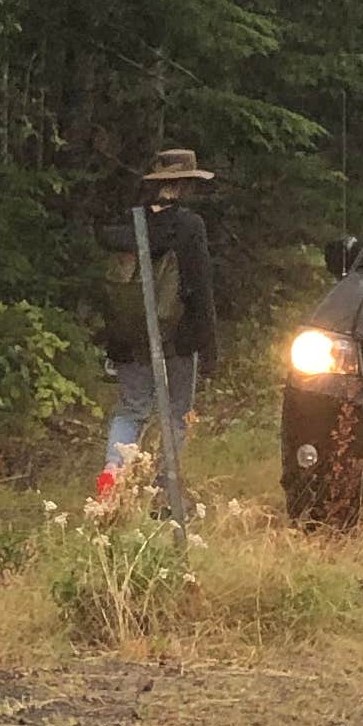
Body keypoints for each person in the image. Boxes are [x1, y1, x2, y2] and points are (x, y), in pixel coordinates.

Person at [96, 151, 219, 499]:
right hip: (177, 339)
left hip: (126, 338)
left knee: (132, 409)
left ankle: (111, 479)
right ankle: (164, 490)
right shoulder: (189, 227)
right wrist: (208, 346)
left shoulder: (127, 225)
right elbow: (199, 287)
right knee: (177, 413)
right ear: (186, 185)